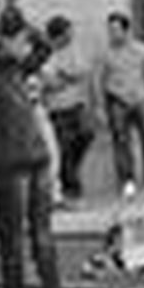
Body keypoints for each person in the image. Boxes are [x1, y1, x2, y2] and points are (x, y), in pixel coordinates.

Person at [0, 6, 66, 288]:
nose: (19, 44)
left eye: (18, 37)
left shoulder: (22, 65)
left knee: (43, 236)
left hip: (36, 158)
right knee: (11, 238)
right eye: (10, 38)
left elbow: (44, 46)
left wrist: (24, 26)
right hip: (6, 163)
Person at [94, 11, 144, 198]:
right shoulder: (105, 53)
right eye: (110, 30)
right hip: (117, 100)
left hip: (142, 99)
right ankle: (128, 181)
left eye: (116, 29)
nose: (112, 33)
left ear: (126, 31)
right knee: (121, 141)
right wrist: (100, 107)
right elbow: (98, 81)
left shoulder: (141, 50)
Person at [41, 15, 94, 204]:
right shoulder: (45, 53)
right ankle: (71, 191)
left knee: (86, 136)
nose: (71, 35)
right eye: (68, 33)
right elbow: (49, 81)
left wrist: (64, 74)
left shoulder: (72, 50)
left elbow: (83, 71)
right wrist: (66, 77)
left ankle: (71, 182)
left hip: (77, 105)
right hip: (57, 109)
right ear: (59, 35)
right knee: (65, 151)